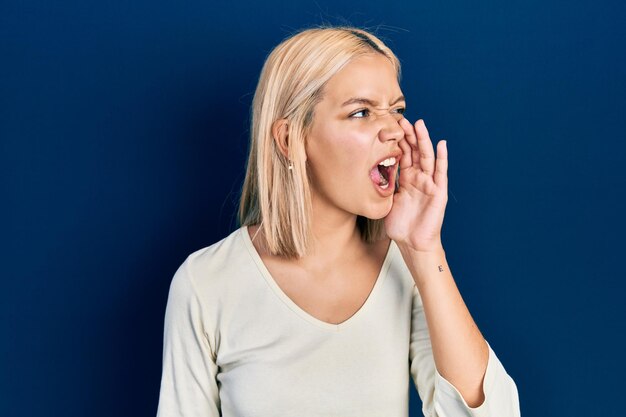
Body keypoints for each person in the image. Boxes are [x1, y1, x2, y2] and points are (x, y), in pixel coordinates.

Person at [156, 25, 521, 417]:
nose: (395, 130)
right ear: (289, 139)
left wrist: (425, 250)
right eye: (361, 112)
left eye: (397, 110)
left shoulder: (407, 269)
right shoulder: (206, 282)